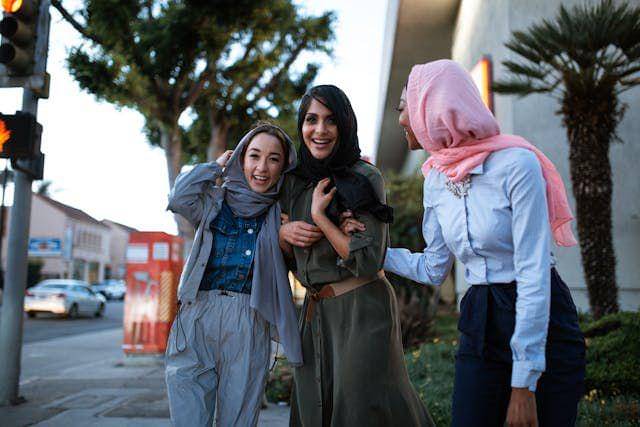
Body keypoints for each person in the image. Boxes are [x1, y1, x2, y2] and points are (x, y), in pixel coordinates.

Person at [381, 59, 586, 426]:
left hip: (541, 317)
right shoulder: (436, 178)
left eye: (403, 107)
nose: (400, 119)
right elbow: (434, 268)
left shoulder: (517, 165)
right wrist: (372, 253)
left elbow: (533, 274)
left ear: (433, 106)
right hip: (479, 315)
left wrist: (524, 384)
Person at [279, 84, 434, 426]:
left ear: (345, 124)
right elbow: (283, 258)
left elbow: (367, 260)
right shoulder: (293, 184)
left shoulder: (365, 178)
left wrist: (321, 218)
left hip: (362, 309)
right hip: (315, 315)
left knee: (363, 409)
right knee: (315, 409)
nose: (320, 130)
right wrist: (282, 234)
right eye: (311, 120)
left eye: (331, 120)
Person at [164, 123, 302, 427]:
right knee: (188, 418)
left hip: (248, 318)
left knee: (238, 419)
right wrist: (214, 167)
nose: (262, 167)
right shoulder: (214, 201)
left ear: (283, 168)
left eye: (273, 159)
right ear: (241, 158)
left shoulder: (281, 215)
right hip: (197, 314)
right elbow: (178, 198)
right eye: (254, 156)